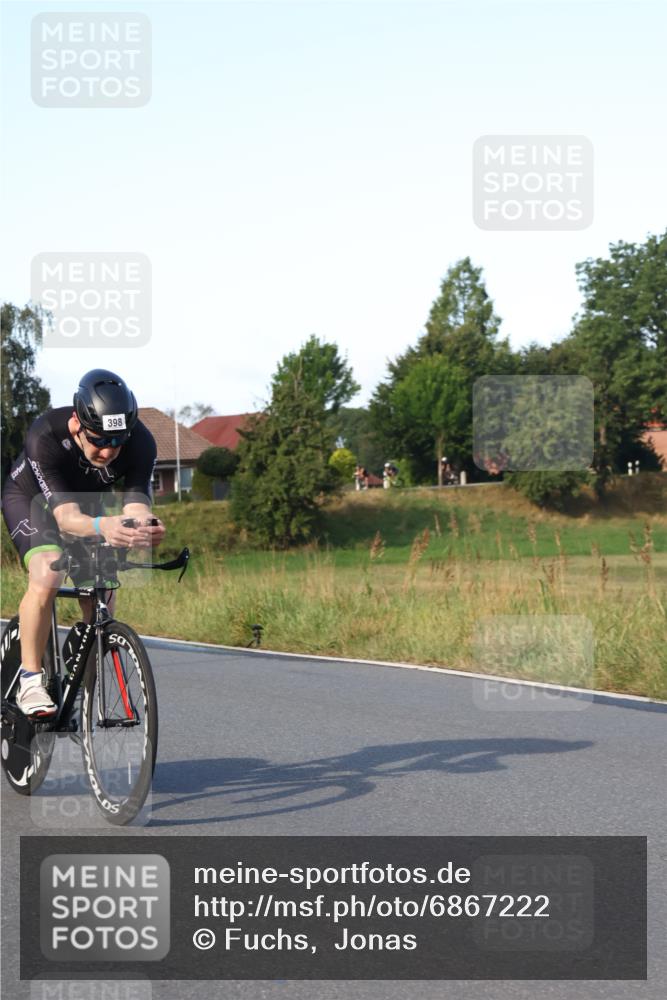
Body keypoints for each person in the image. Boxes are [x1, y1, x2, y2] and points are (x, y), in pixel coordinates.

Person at [1, 369, 165, 717]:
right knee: (47, 572)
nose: (109, 452)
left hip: (85, 505)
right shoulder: (45, 434)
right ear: (77, 423)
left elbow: (136, 501)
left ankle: (78, 671)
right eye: (100, 440)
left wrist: (143, 526)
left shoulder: (140, 442)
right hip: (32, 501)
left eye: (117, 442)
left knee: (103, 590)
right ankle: (30, 681)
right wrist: (104, 525)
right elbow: (65, 519)